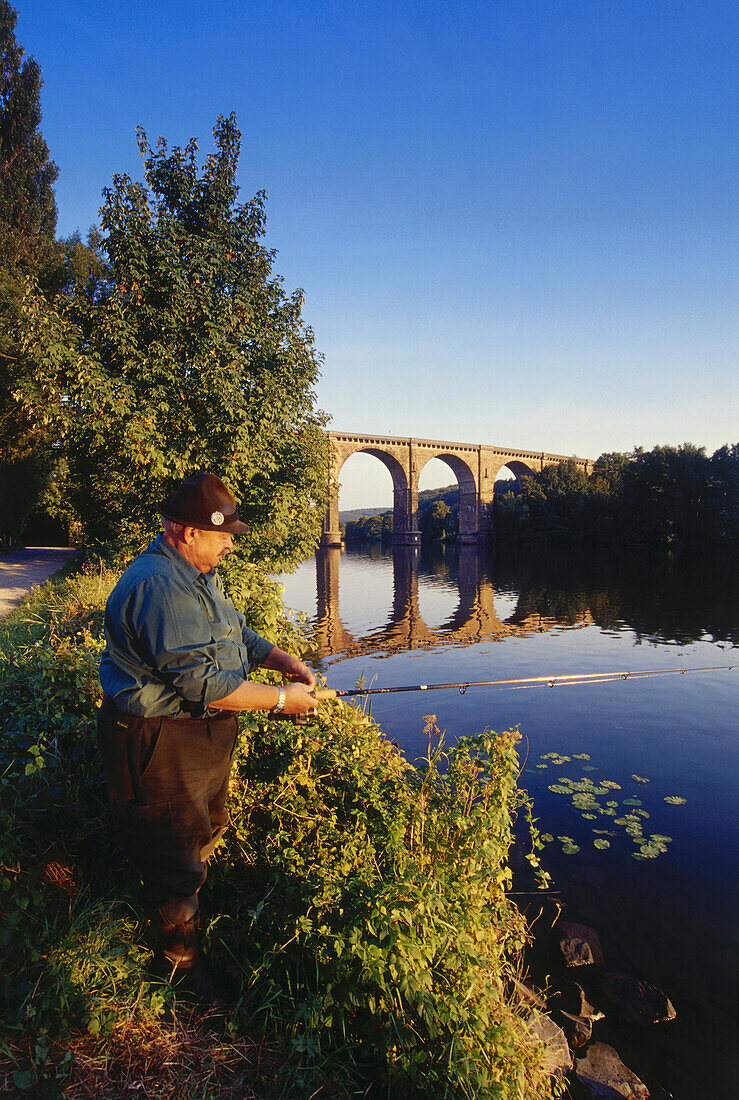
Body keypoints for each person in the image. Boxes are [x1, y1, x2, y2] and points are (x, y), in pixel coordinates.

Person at [97, 471, 318, 998]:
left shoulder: (196, 571)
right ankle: (180, 969)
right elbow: (202, 683)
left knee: (201, 828)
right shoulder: (159, 584)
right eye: (223, 535)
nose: (229, 545)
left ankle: (186, 913)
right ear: (186, 531)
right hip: (160, 738)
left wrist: (279, 658)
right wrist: (283, 700)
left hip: (195, 736)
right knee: (174, 846)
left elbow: (234, 632)